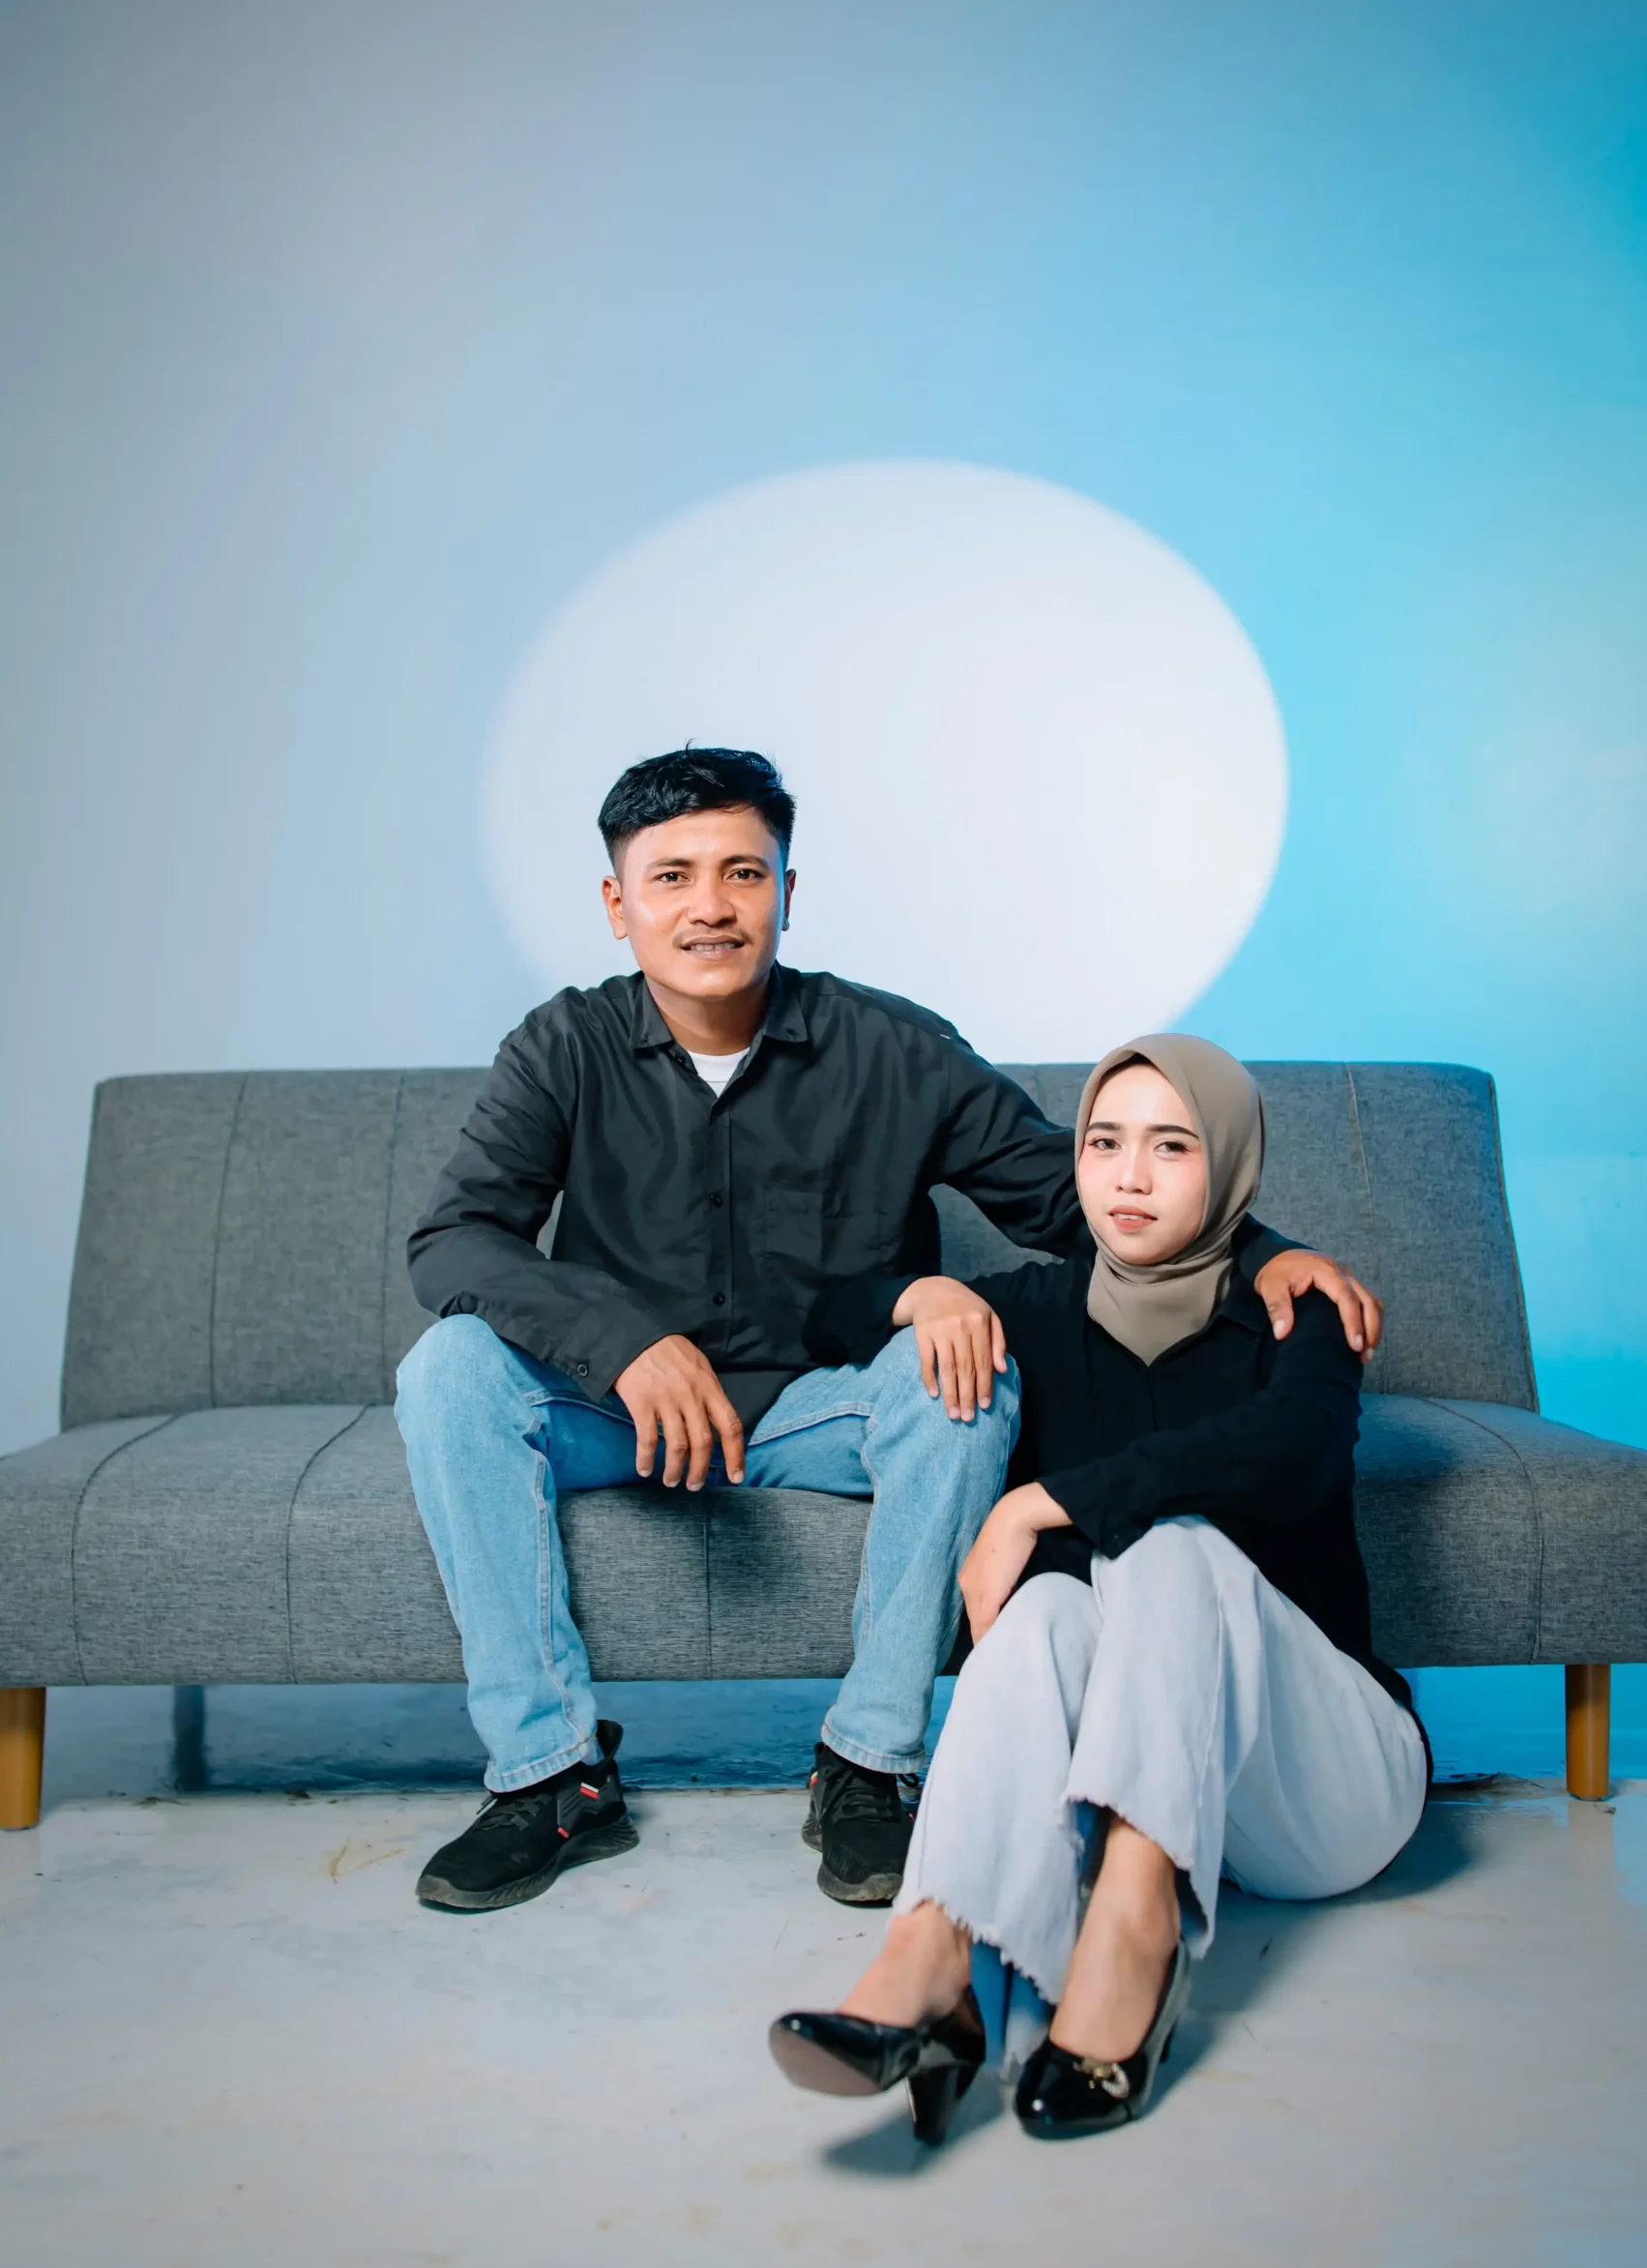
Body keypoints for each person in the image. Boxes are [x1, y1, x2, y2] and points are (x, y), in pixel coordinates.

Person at [396, 755, 1381, 1916]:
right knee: (448, 1367)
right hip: (621, 1414)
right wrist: (621, 1341)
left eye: (741, 873)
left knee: (961, 1370)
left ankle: (868, 1765)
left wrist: (1261, 1252)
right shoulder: (561, 1045)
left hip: (819, 1410)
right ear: (619, 905)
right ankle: (549, 1776)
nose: (709, 905)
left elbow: (1067, 1197)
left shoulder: (892, 1047)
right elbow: (454, 1239)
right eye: (671, 877)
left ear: (785, 892)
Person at [771, 1035, 1427, 2143]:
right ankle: (930, 1957)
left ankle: (1133, 1933)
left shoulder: (1294, 1309)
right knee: (1040, 1610)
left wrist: (1035, 1504)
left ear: (1230, 1166)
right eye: (1102, 1143)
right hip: (1170, 1781)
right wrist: (929, 1294)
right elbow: (824, 1313)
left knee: (1171, 1546)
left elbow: (1290, 1455)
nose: (1127, 1177)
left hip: (1322, 1791)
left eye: (1170, 1147)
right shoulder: (1034, 1309)